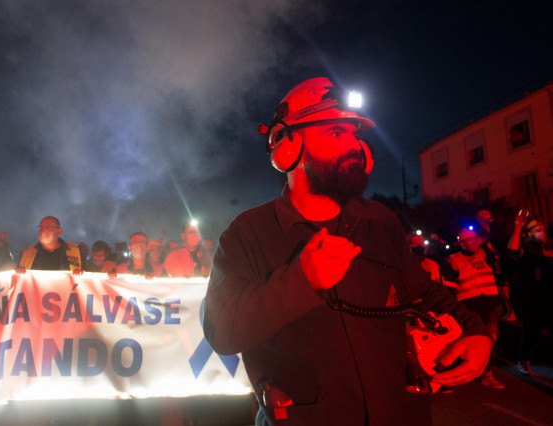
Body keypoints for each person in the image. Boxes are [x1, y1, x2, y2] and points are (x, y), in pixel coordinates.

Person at [202, 78, 492, 425]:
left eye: (354, 134)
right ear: (288, 148)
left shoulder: (381, 221)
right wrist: (301, 281)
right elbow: (223, 331)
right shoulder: (247, 233)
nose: (355, 146)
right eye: (335, 134)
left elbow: (425, 291)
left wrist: (475, 331)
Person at [442, 227, 505, 389]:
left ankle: (487, 374)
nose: (472, 242)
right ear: (461, 243)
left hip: (489, 303)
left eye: (474, 239)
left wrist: (483, 221)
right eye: (468, 240)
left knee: (491, 339)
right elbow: (450, 287)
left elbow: (494, 239)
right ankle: (461, 370)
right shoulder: (453, 260)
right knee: (466, 339)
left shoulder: (486, 254)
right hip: (468, 304)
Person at [506, 211, 553, 376]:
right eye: (538, 231)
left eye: (544, 231)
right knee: (530, 334)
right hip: (532, 302)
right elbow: (512, 251)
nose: (543, 234)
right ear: (528, 234)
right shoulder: (525, 251)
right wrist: (518, 227)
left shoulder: (548, 251)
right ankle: (523, 362)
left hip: (550, 301)